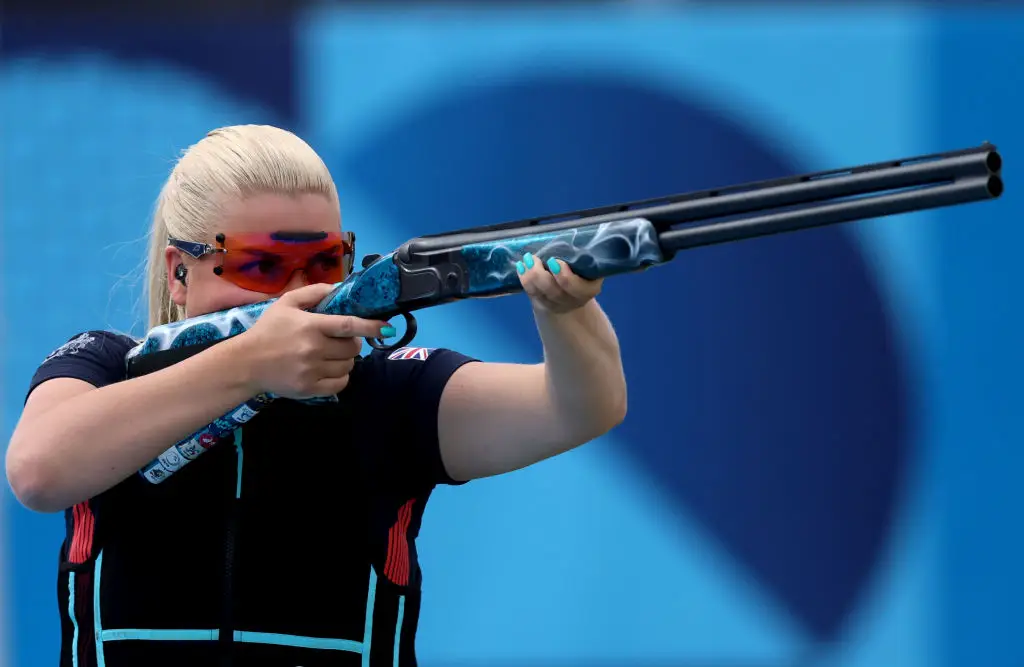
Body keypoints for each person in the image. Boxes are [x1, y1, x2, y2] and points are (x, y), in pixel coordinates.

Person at [5, 125, 627, 667]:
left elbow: (582, 405)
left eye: (326, 262)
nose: (297, 293)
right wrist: (253, 362)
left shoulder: (391, 393)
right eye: (261, 265)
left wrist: (566, 311)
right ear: (178, 271)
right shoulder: (108, 366)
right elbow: (38, 471)